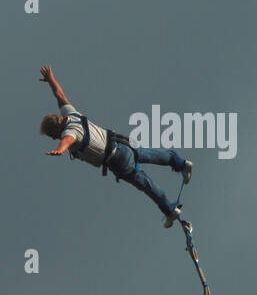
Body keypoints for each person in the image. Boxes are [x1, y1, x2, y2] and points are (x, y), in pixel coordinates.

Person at [39, 65, 193, 227]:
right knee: (150, 154)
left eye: (52, 135)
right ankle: (182, 164)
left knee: (145, 183)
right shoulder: (71, 114)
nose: (53, 138)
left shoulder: (69, 132)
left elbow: (68, 140)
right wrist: (51, 80)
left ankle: (170, 210)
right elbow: (60, 94)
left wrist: (59, 149)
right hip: (120, 144)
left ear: (55, 131)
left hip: (116, 160)